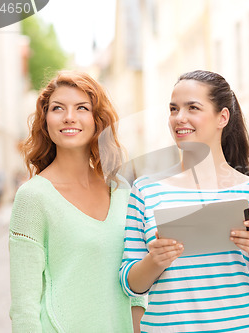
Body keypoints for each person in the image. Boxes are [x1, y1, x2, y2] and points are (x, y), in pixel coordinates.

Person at [120, 70, 249, 332]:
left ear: (222, 117)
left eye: (192, 107)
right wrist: (155, 260)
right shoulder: (146, 191)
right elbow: (130, 284)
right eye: (173, 109)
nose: (179, 118)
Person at [9, 71, 146, 332]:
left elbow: (137, 290)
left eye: (82, 108)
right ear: (45, 120)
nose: (69, 116)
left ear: (97, 120)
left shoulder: (122, 191)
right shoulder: (33, 198)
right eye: (58, 108)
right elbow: (24, 308)